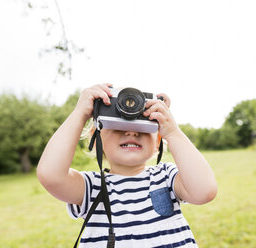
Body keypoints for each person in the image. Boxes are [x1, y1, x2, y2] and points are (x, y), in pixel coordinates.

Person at [37, 84, 217, 247]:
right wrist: (79, 113)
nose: (131, 132)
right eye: (118, 127)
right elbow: (51, 175)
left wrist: (173, 132)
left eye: (142, 128)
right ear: (96, 136)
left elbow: (204, 191)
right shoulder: (91, 188)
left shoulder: (166, 176)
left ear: (158, 141)